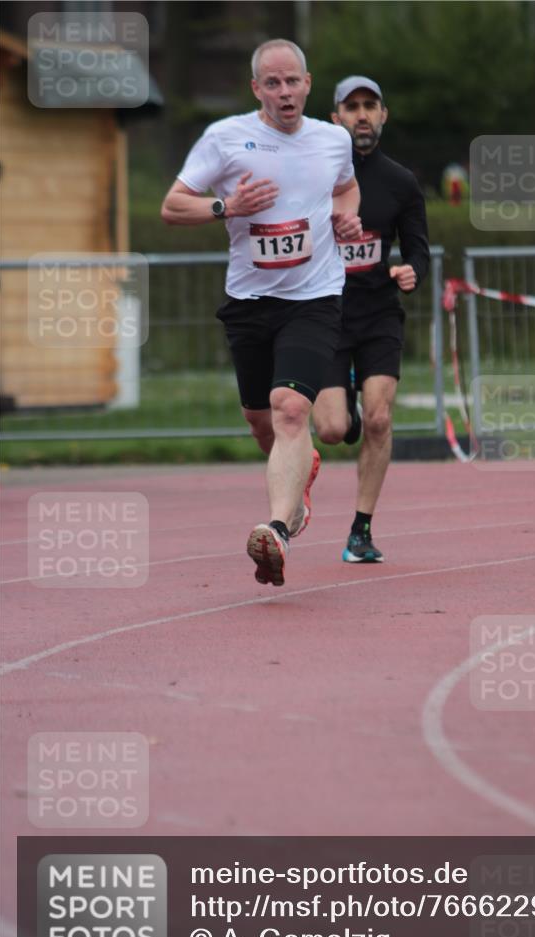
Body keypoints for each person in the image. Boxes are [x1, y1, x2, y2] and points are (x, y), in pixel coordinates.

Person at [161, 40, 362, 586]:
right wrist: (227, 207)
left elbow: (346, 190)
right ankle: (301, 473)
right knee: (260, 421)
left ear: (308, 83)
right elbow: (173, 205)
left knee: (289, 408)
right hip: (250, 301)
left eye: (292, 81)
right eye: (272, 83)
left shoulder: (333, 139)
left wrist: (347, 219)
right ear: (257, 90)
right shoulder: (225, 139)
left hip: (315, 298)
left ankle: (277, 527)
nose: (284, 92)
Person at [312, 76, 430, 563]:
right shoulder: (316, 175)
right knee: (334, 430)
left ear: (384, 115)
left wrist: (410, 272)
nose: (362, 114)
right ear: (335, 116)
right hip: (325, 312)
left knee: (381, 419)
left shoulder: (400, 182)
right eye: (352, 106)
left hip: (379, 310)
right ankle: (347, 413)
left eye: (370, 106)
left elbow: (419, 251)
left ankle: (360, 531)